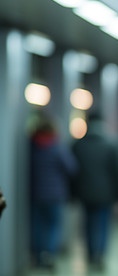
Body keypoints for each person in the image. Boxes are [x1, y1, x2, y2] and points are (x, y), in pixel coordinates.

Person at [72, 113, 118, 270]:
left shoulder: (78, 145)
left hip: (85, 193)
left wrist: (73, 194)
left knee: (88, 223)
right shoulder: (111, 145)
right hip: (106, 194)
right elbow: (117, 174)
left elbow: (74, 173)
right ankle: (99, 255)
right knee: (102, 224)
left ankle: (90, 254)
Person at [29, 114, 78, 270]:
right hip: (55, 195)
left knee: (37, 225)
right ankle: (49, 255)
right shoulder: (57, 147)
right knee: (53, 226)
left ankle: (37, 256)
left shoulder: (32, 147)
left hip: (36, 194)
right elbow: (72, 168)